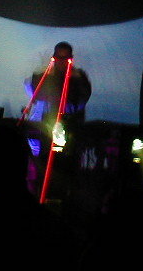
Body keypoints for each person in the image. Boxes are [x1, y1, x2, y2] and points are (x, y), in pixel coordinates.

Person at [23, 42, 91, 198]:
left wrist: (76, 78)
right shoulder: (47, 75)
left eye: (64, 58)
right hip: (48, 126)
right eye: (58, 57)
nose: (61, 62)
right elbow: (35, 93)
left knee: (68, 166)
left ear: (70, 58)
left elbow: (83, 98)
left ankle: (67, 198)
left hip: (71, 127)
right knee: (46, 165)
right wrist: (43, 75)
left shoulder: (78, 77)